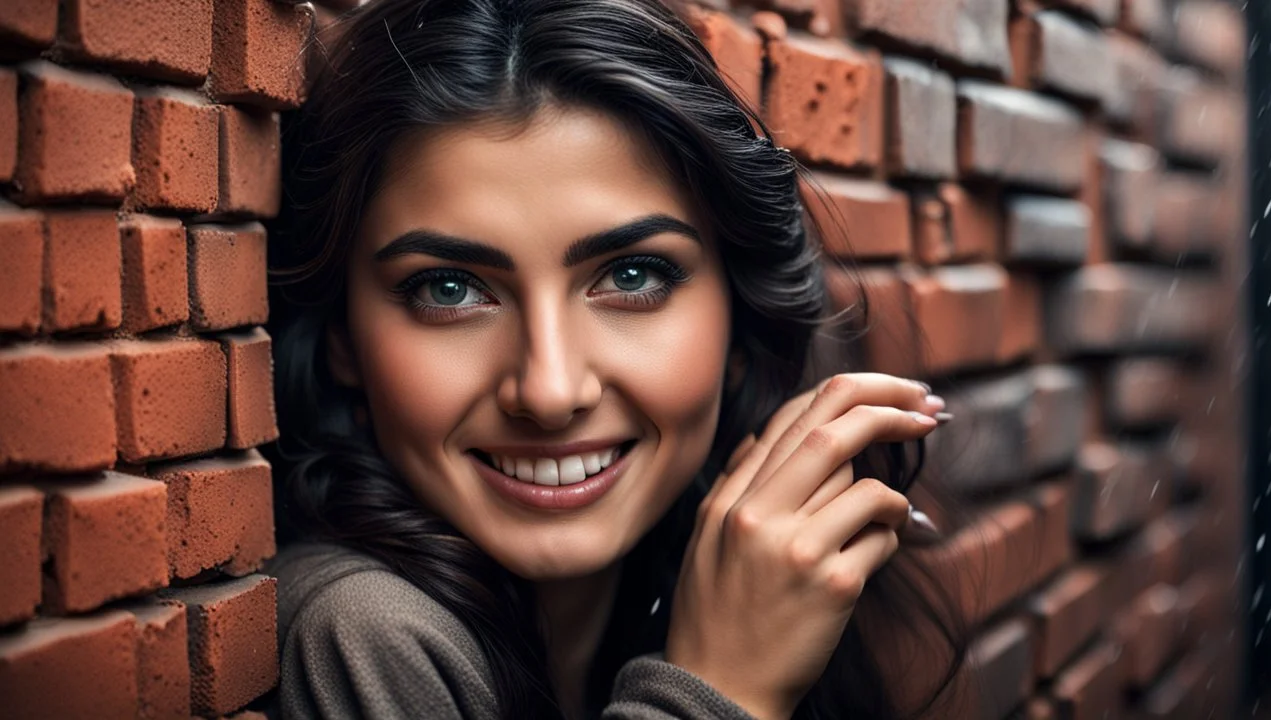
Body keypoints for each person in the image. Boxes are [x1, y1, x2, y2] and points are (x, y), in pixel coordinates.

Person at [264, 0, 965, 718]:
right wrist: (722, 690)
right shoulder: (361, 634)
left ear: (739, 316)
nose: (550, 389)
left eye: (632, 277)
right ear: (343, 340)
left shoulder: (736, 589)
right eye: (449, 288)